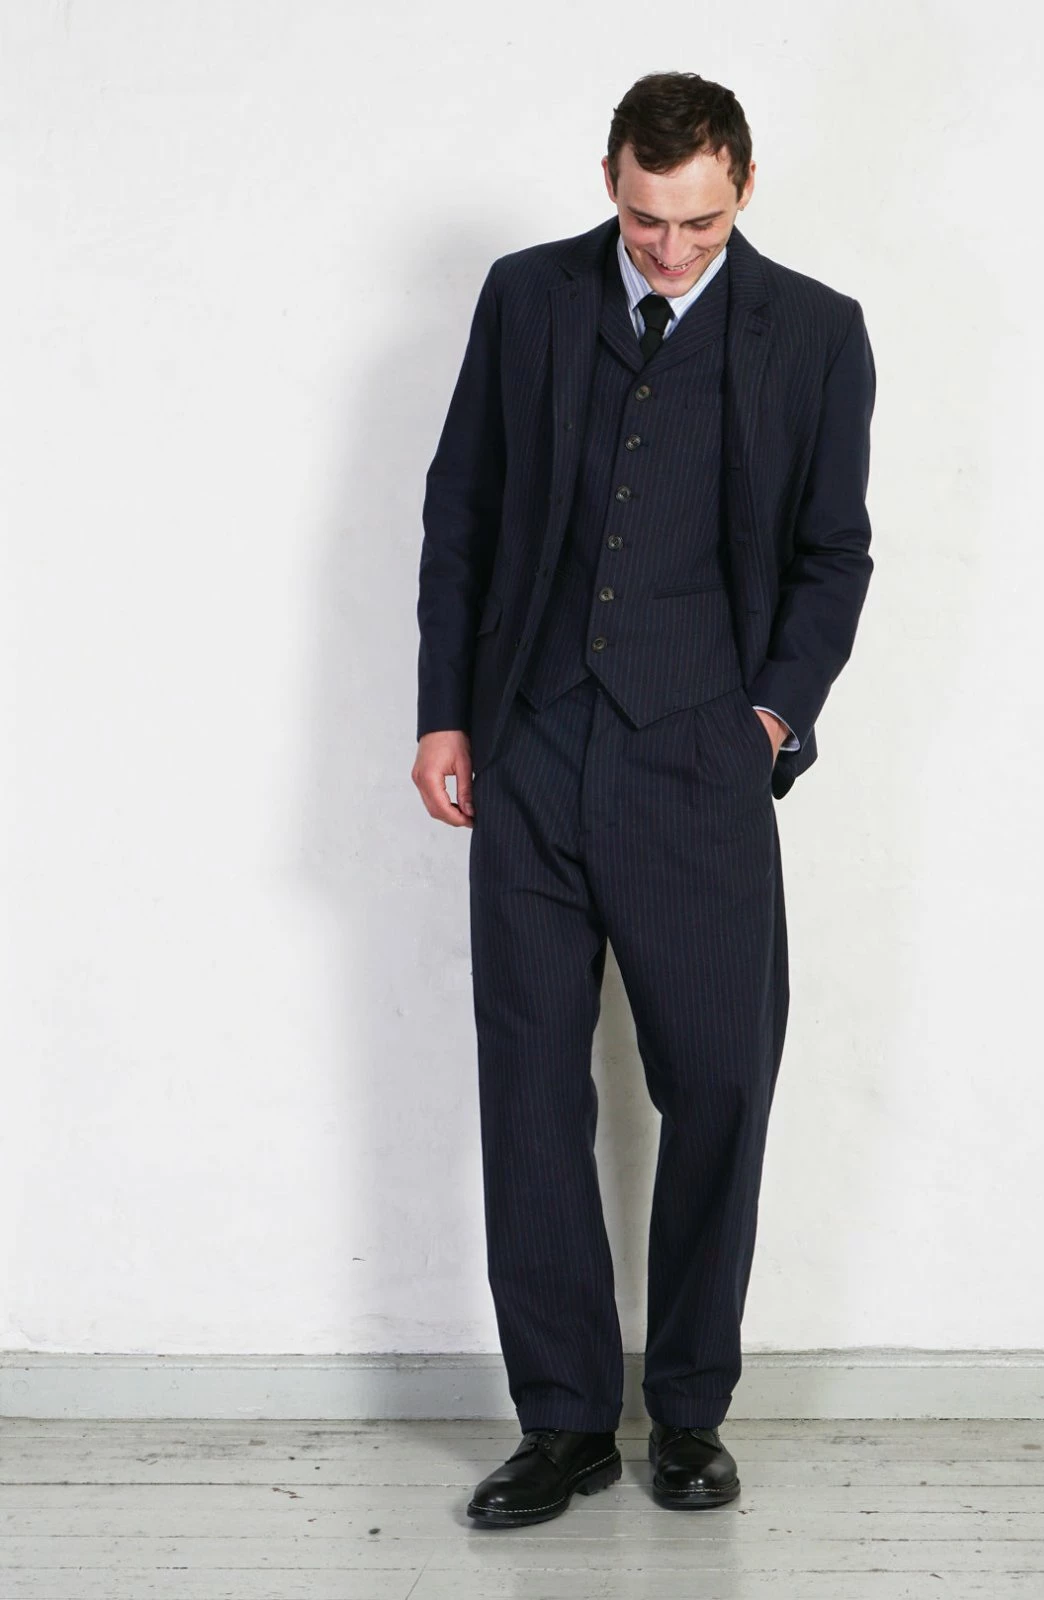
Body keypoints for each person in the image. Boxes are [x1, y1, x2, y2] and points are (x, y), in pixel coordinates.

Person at [412, 70, 875, 1526]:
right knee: (529, 1091)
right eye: (644, 220)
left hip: (699, 760)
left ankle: (686, 1411)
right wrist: (444, 712)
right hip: (532, 745)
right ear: (609, 179)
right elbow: (461, 509)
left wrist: (768, 717)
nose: (670, 251)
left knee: (720, 1084)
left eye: (700, 224)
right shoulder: (527, 297)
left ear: (743, 187)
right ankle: (562, 1424)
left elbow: (834, 552)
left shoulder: (816, 331)